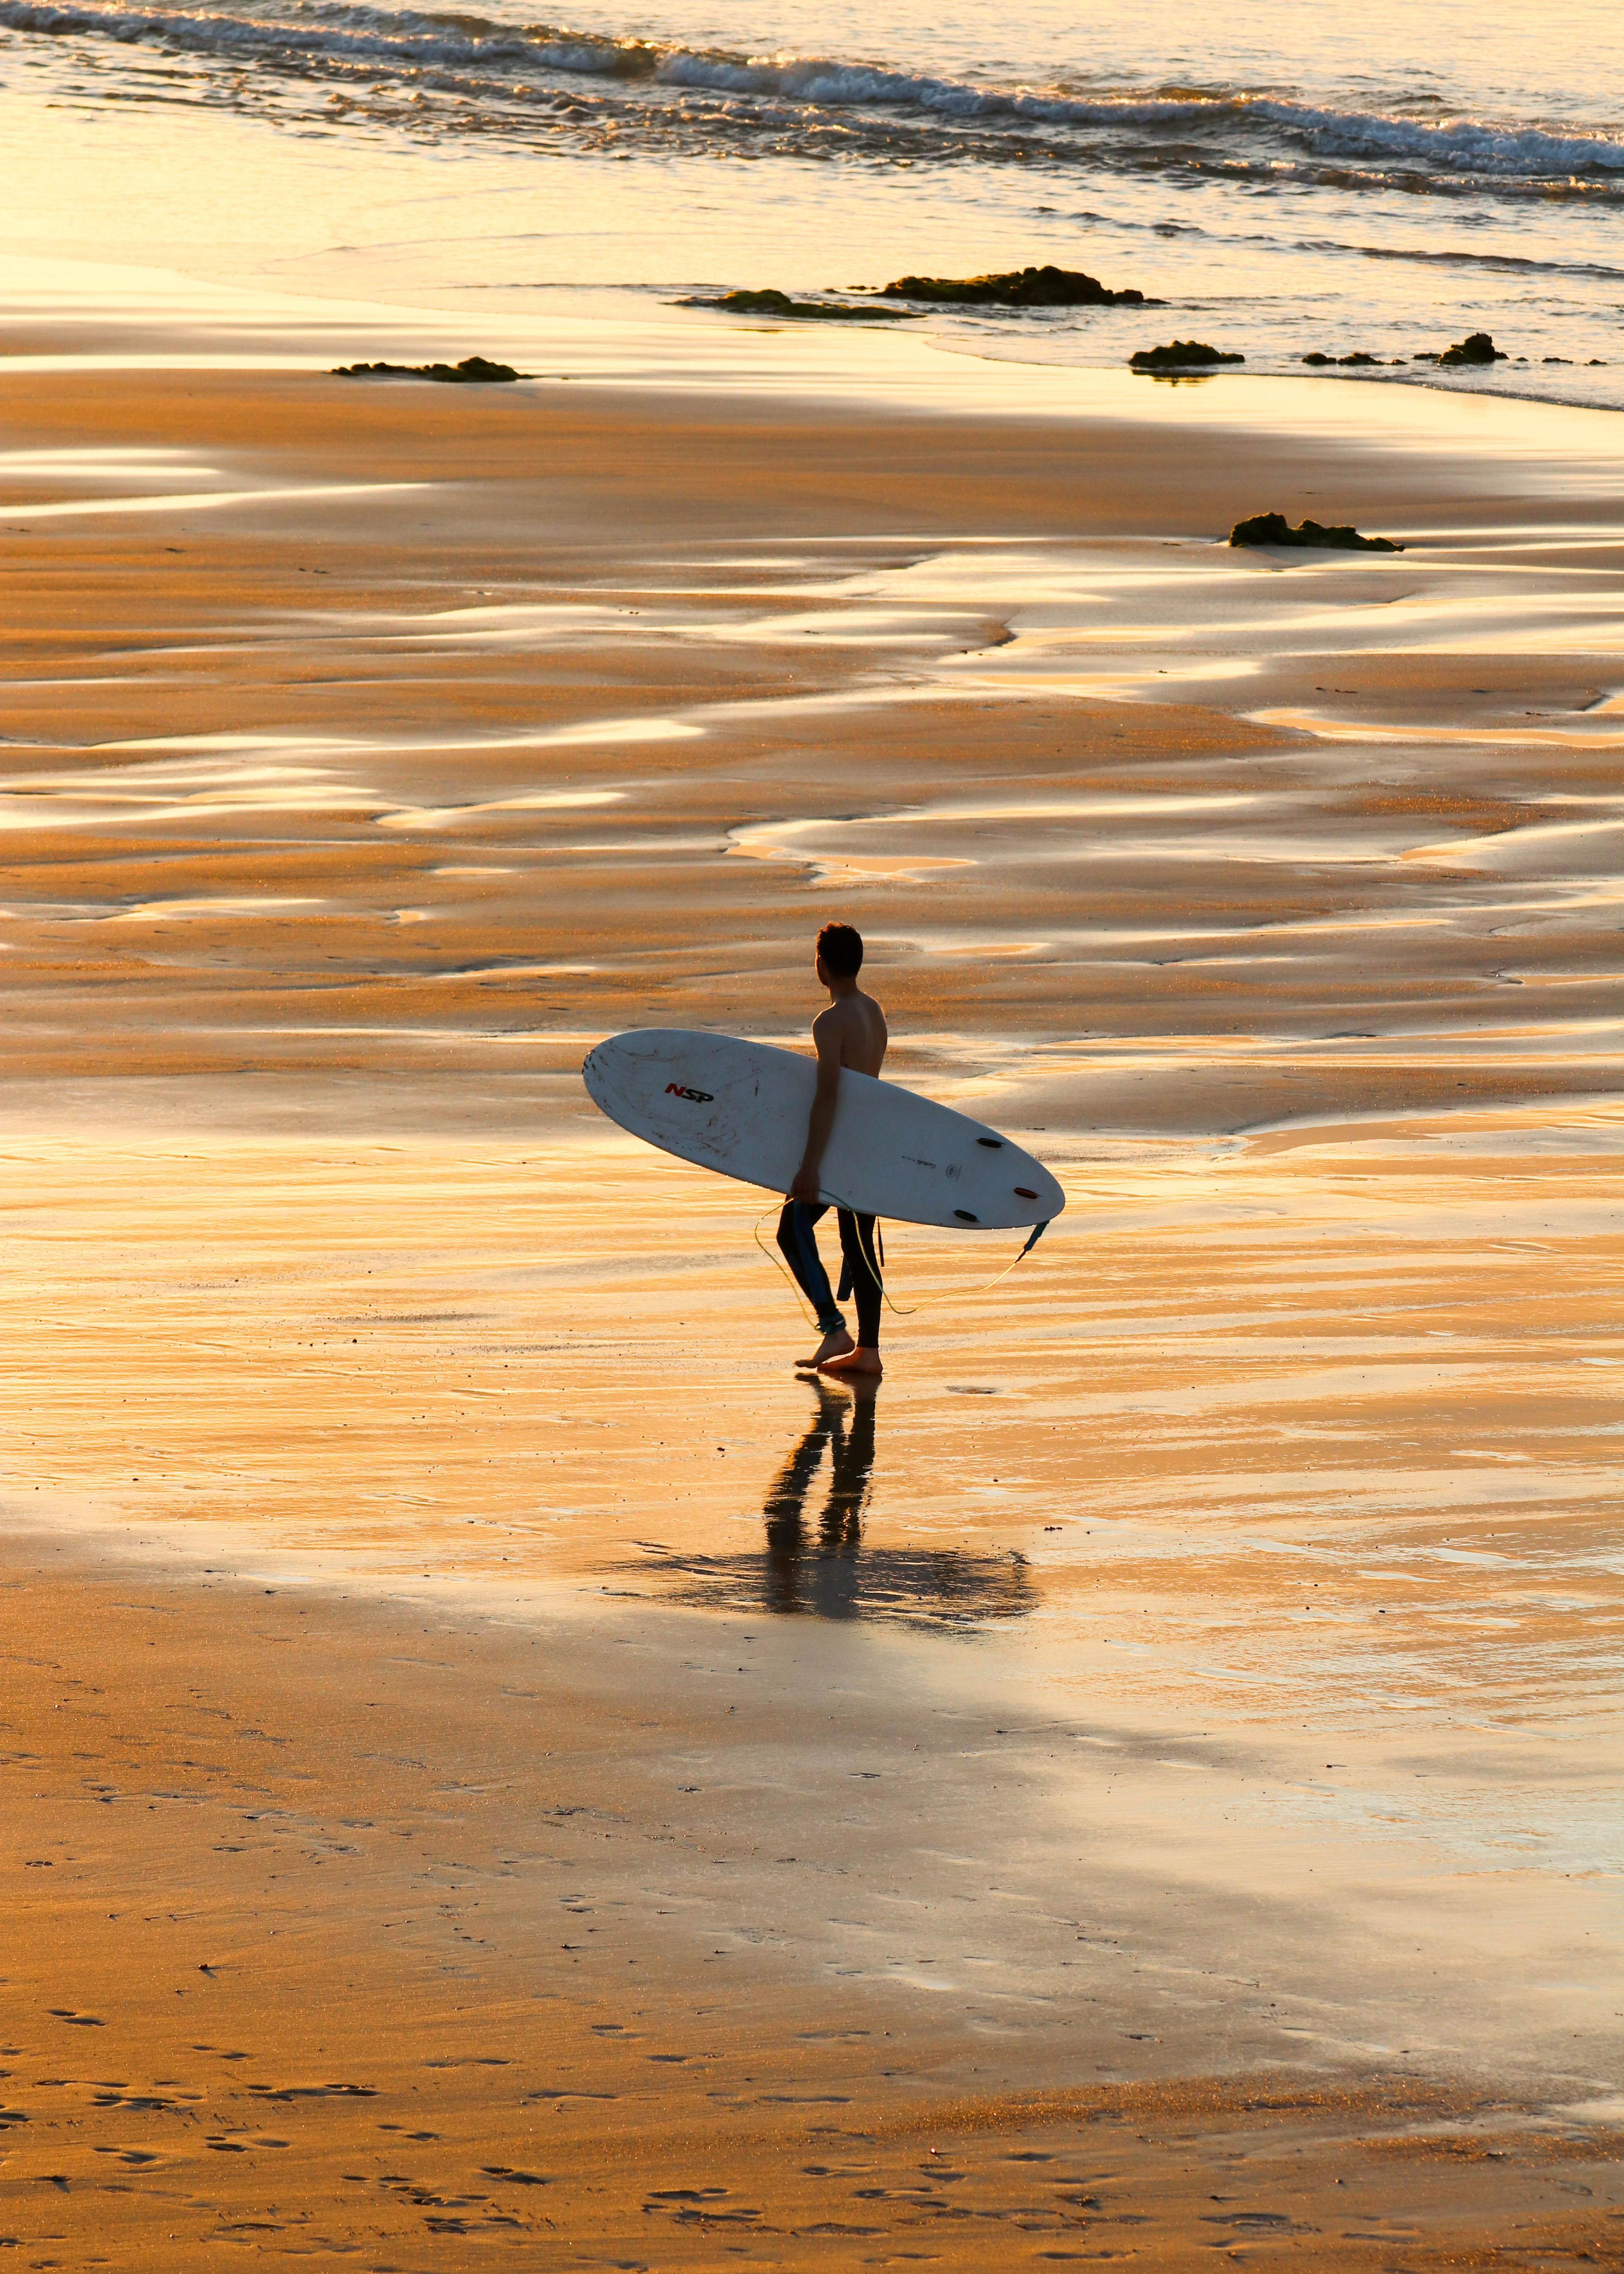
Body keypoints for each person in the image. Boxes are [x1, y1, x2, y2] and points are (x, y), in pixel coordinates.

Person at [776, 921, 888, 1379]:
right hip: (871, 1145)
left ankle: (834, 1328)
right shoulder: (874, 1012)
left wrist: (811, 1168)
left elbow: (828, 1097)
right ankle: (869, 1350)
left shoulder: (830, 1021)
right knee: (860, 1246)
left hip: (840, 1149)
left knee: (791, 1228)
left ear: (821, 966)